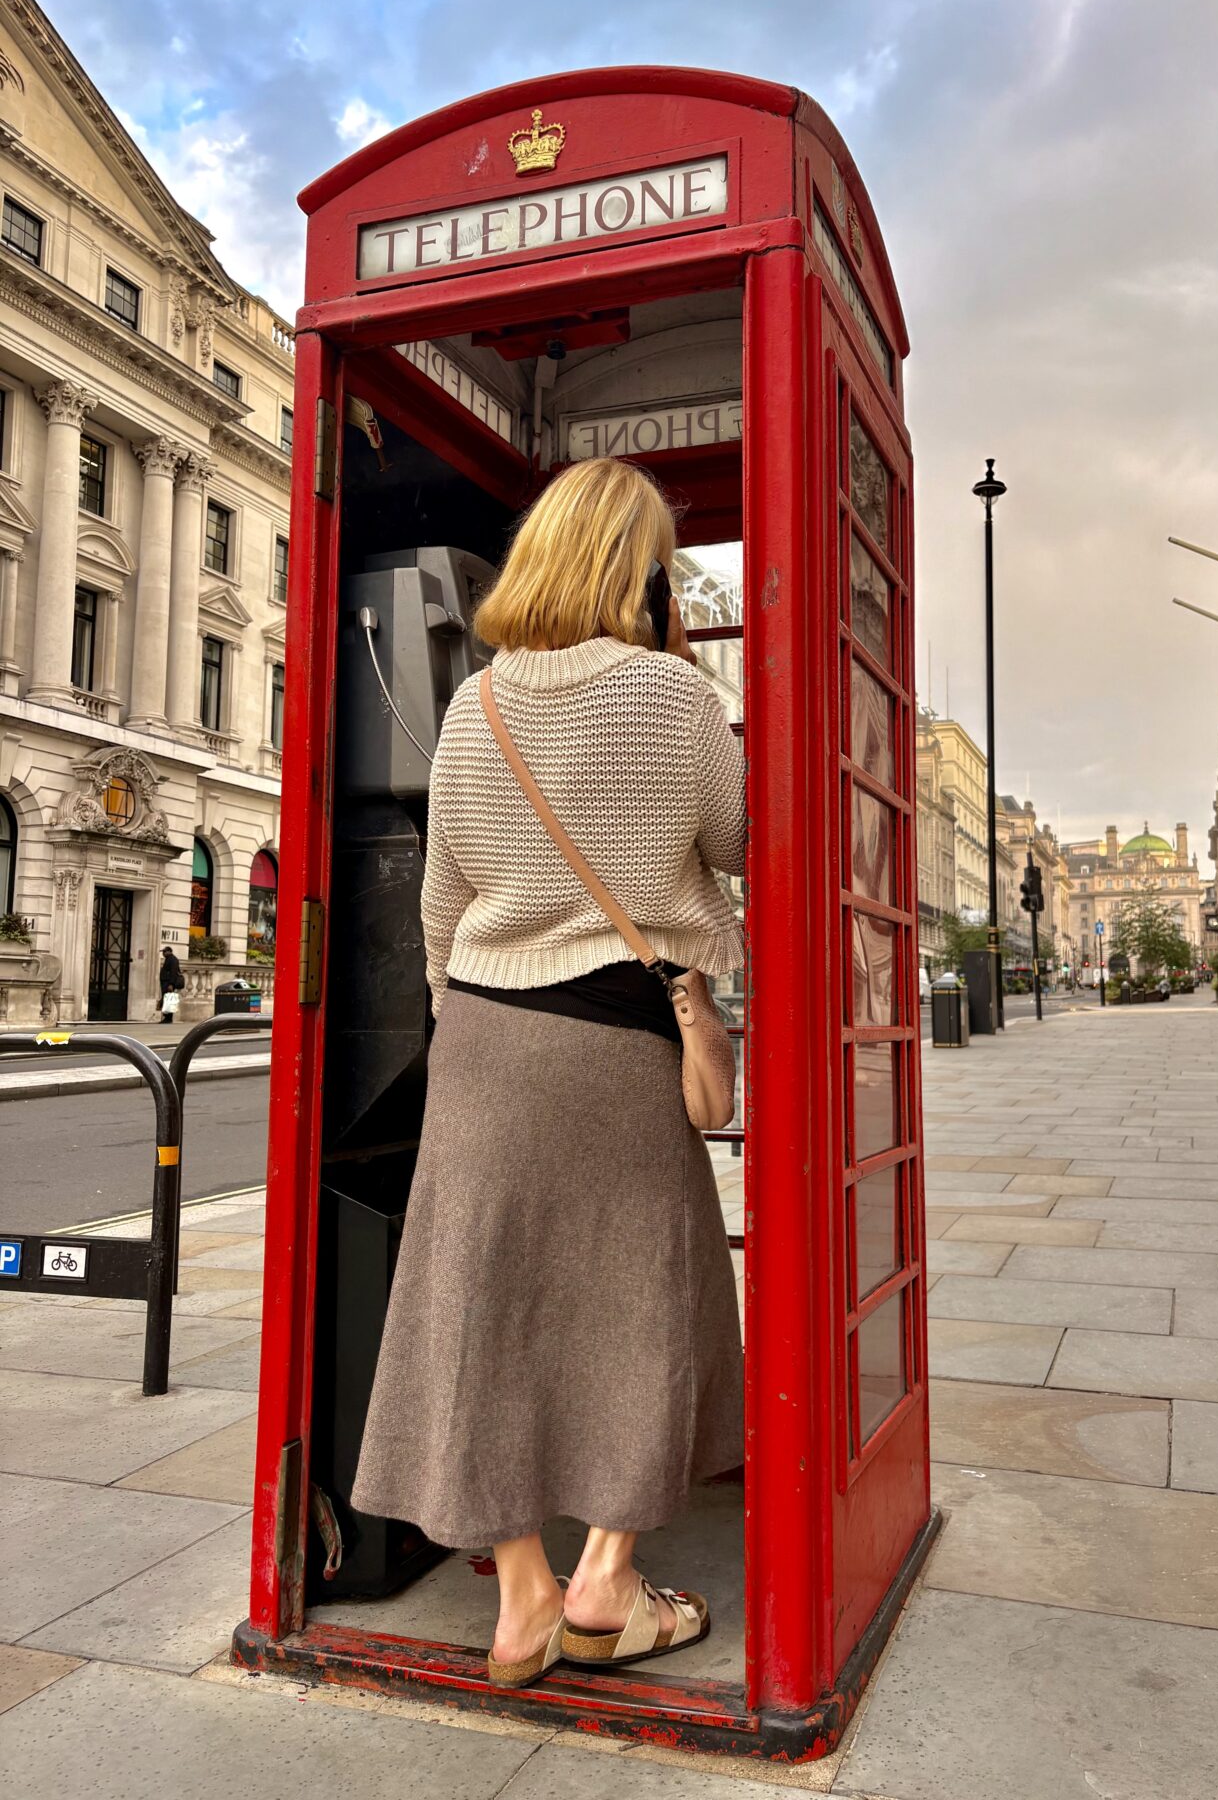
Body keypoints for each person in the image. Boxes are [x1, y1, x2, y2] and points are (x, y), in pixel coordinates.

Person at [351, 457, 746, 1689]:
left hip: (480, 1034)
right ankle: (606, 1581)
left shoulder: (474, 706)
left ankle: (522, 1599)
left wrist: (459, 1020)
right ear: (639, 572)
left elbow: (441, 897)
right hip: (619, 1038)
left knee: (479, 1306)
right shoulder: (675, 698)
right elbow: (741, 843)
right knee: (648, 1298)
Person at [157, 945, 185, 1021]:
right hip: (165, 982)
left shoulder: (173, 960)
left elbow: (173, 972)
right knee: (167, 999)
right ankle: (166, 1017)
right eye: (163, 952)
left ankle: (168, 1018)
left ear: (169, 951)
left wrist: (171, 984)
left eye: (165, 951)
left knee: (168, 1000)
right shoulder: (168, 959)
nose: (163, 953)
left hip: (168, 983)